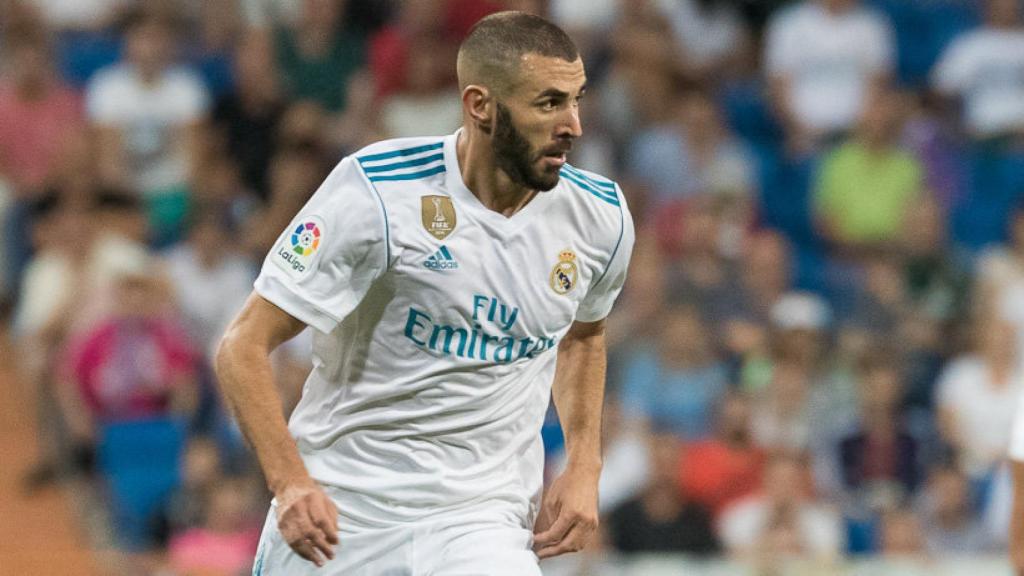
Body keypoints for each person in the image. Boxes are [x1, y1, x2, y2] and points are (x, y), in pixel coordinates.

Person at [215, 11, 634, 575]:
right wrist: (289, 483)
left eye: (576, 99)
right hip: (343, 514)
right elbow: (241, 346)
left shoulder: (599, 218)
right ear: (480, 105)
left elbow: (584, 336)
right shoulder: (376, 193)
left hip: (481, 522)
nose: (573, 125)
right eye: (548, 103)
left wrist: (585, 464)